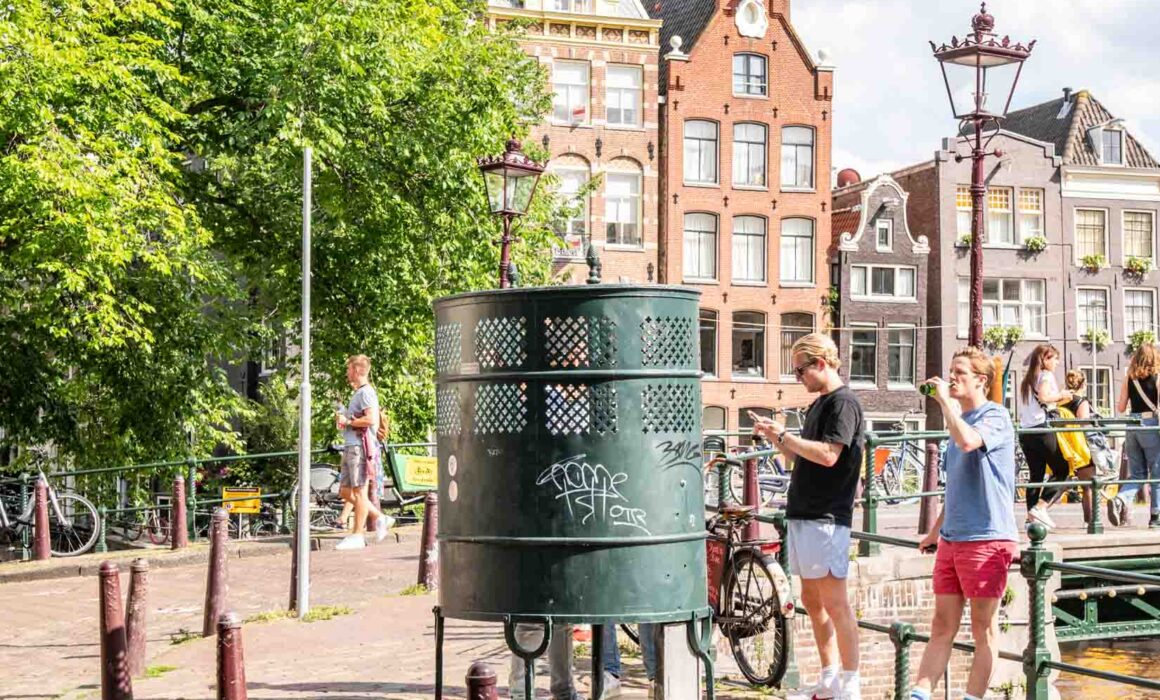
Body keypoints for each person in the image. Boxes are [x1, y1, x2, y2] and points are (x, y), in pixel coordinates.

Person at [752, 333, 863, 700]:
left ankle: (851, 683)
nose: (797, 376)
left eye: (800, 369)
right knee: (813, 603)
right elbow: (797, 458)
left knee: (836, 602)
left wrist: (786, 435)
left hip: (827, 514)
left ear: (820, 363)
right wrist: (776, 438)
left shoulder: (843, 404)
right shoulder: (818, 405)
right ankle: (829, 677)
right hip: (804, 511)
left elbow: (830, 455)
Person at [911, 347, 1019, 700]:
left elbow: (970, 442)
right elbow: (955, 484)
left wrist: (946, 405)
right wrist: (935, 531)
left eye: (959, 371)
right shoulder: (960, 422)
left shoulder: (995, 417)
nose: (951, 376)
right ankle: (919, 694)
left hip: (987, 538)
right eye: (951, 370)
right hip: (953, 539)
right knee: (941, 625)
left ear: (981, 380)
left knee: (982, 628)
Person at [334, 354, 391, 550]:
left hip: (359, 447)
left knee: (359, 491)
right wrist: (345, 420)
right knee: (344, 491)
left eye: (349, 369)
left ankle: (357, 535)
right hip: (351, 445)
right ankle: (379, 517)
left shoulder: (366, 393)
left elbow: (371, 419)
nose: (347, 372)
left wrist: (348, 421)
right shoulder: (358, 393)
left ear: (357, 370)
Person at [1016, 344, 1072, 529]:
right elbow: (1045, 397)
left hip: (1026, 432)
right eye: (1054, 358)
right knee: (1062, 469)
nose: (1057, 362)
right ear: (1045, 359)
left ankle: (1029, 519)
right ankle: (1040, 507)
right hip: (1041, 429)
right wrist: (1062, 395)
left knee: (1036, 475)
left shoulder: (1027, 379)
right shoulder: (1046, 375)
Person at [1110, 343, 1160, 529]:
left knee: (1137, 472)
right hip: (1150, 425)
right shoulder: (1158, 378)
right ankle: (1155, 517)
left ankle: (1120, 498)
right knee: (1157, 473)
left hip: (1131, 425)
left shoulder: (1128, 378)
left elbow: (1121, 408)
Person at [1060, 370, 1101, 525]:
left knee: (1060, 482)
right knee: (1088, 486)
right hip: (1079, 447)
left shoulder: (1060, 401)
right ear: (1083, 384)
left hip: (1065, 445)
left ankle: (1037, 511)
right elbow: (1084, 425)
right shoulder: (1081, 401)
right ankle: (1091, 522)